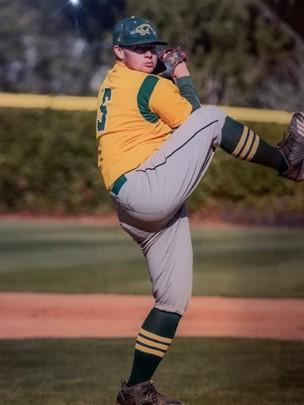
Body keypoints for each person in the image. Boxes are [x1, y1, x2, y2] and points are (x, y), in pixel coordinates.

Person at [96, 16, 304, 405]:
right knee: (209, 118)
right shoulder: (147, 84)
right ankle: (288, 163)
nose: (147, 54)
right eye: (137, 48)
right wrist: (181, 72)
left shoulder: (114, 82)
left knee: (172, 300)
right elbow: (194, 121)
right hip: (145, 188)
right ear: (118, 51)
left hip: (138, 205)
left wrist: (165, 67)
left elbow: (172, 125)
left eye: (150, 48)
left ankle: (136, 391)